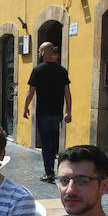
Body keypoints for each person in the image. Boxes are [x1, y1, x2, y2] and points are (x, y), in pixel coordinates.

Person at [23, 42, 72, 183]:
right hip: (57, 113)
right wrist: (69, 111)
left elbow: (30, 92)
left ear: (44, 52)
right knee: (54, 142)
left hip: (43, 113)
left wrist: (25, 107)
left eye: (40, 51)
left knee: (46, 143)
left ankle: (49, 173)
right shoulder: (62, 70)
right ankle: (57, 170)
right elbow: (67, 93)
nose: (39, 53)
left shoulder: (37, 70)